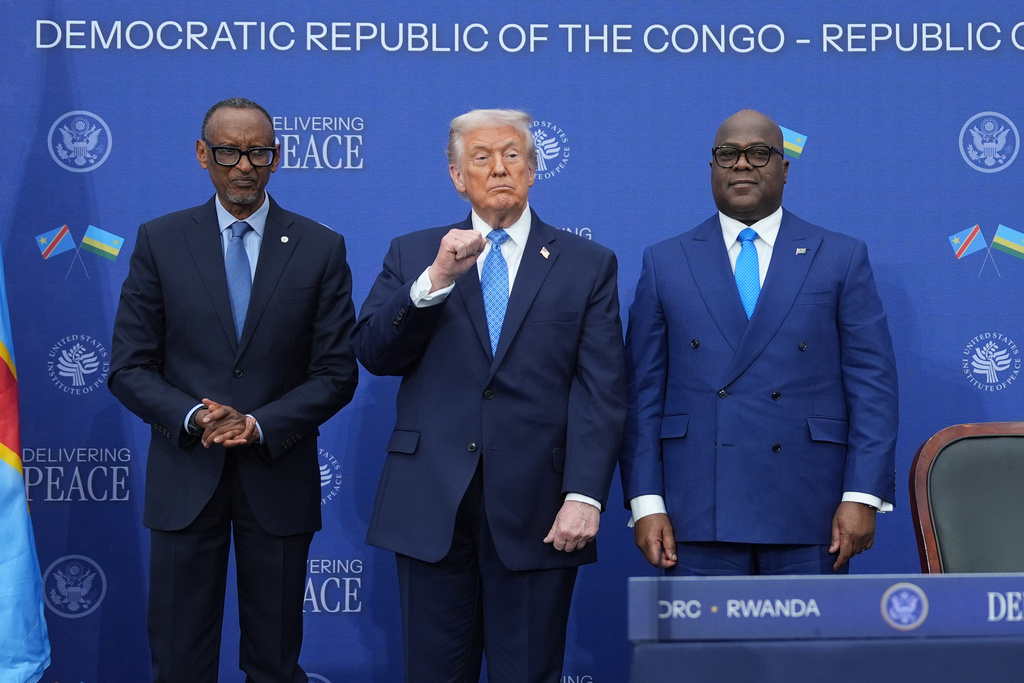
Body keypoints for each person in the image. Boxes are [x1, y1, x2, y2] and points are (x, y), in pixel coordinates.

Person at [353, 108, 626, 682]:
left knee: (527, 672)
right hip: (431, 503)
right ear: (457, 177)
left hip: (539, 507)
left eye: (512, 156)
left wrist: (585, 494)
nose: (498, 167)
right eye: (481, 158)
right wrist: (432, 284)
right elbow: (376, 355)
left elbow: (601, 389)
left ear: (532, 171)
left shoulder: (588, 264)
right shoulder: (415, 254)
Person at [108, 97, 358, 682]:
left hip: (277, 480)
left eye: (258, 152)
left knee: (274, 663)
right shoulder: (160, 240)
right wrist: (196, 415)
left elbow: (336, 373)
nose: (244, 166)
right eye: (228, 151)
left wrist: (258, 423)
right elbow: (128, 366)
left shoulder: (321, 248)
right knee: (178, 661)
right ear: (203, 154)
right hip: (185, 478)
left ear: (278, 156)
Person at [620, 109, 898, 576]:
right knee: (700, 652)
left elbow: (873, 388)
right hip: (695, 510)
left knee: (807, 651)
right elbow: (641, 395)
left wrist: (862, 495)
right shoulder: (665, 261)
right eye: (728, 154)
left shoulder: (842, 257)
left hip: (812, 510)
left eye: (759, 153)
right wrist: (646, 501)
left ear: (784, 168)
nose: (743, 164)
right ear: (712, 168)